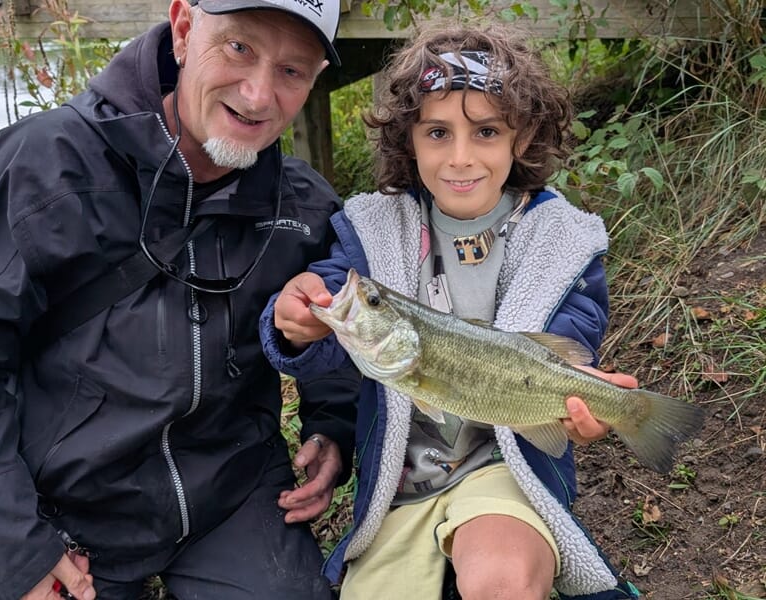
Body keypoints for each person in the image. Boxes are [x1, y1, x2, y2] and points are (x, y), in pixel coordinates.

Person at [0, 0, 360, 598]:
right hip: (61, 508)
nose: (258, 97)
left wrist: (332, 428)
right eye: (239, 48)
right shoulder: (40, 167)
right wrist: (16, 544)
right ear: (182, 29)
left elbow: (336, 326)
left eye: (293, 71)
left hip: (233, 496)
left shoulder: (303, 205)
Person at [260, 21, 642, 600]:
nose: (461, 158)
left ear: (523, 134)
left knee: (502, 583)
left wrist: (580, 401)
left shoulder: (561, 242)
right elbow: (336, 294)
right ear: (407, 140)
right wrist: (300, 317)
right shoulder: (374, 232)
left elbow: (567, 342)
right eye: (437, 132)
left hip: (506, 475)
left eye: (485, 131)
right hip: (400, 490)